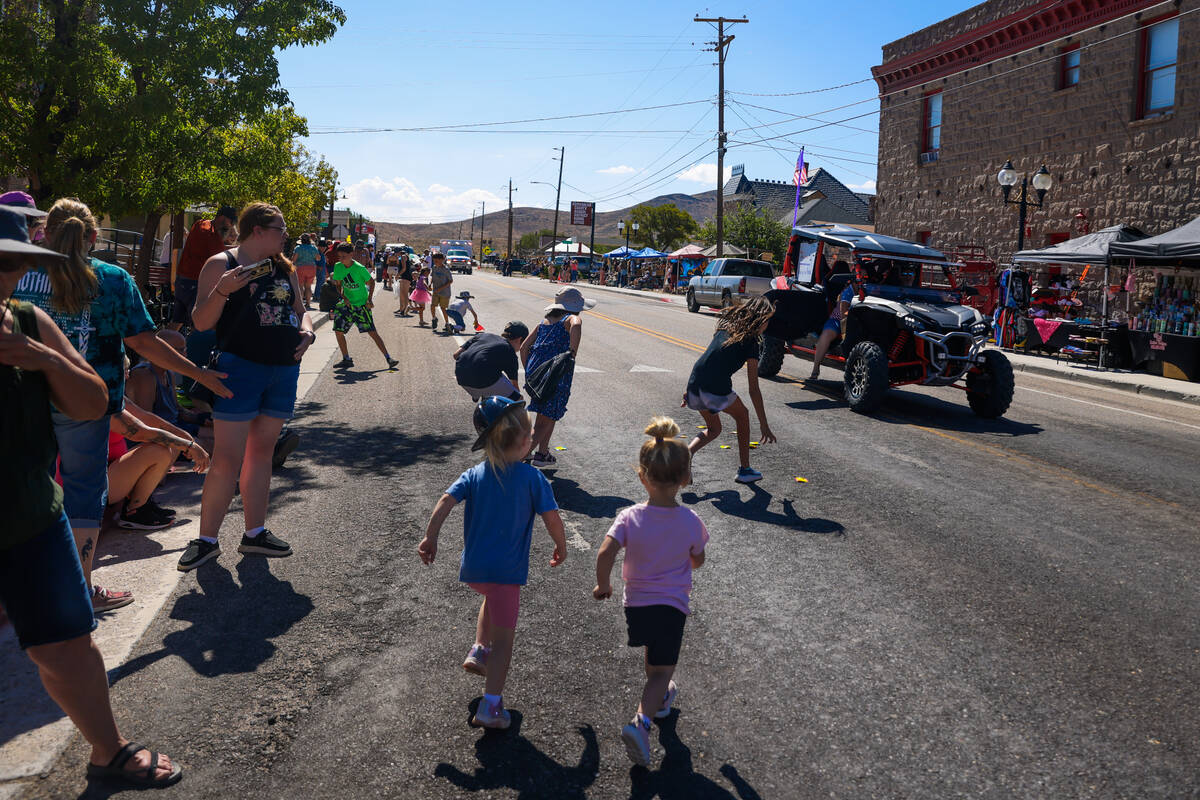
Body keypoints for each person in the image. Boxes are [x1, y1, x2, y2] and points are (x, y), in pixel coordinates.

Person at [0, 208, 184, 787]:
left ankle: (108, 751)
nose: (9, 277)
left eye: (18, 266)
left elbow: (90, 402)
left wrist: (43, 358)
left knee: (69, 645)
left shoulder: (26, 322)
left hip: (30, 516)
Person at [14, 198, 231, 611]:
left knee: (29, 488)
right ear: (94, 237)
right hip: (86, 403)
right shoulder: (112, 280)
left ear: (44, 232)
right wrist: (200, 374)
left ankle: (27, 587)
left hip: (24, 397)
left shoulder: (21, 275)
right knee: (81, 493)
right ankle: (80, 591)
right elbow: (146, 344)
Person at [178, 203, 316, 572]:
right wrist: (222, 291)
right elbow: (202, 324)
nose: (285, 235)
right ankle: (206, 540)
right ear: (258, 230)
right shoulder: (220, 264)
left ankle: (254, 533)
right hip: (240, 369)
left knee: (262, 453)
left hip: (284, 370)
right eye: (280, 229)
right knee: (228, 457)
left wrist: (308, 330)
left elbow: (301, 308)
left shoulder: (284, 267)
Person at [417, 396, 567, 730]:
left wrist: (431, 537)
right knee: (506, 642)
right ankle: (491, 706)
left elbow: (445, 501)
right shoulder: (532, 479)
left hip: (475, 570)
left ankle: (479, 649)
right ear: (525, 440)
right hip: (506, 573)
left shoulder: (474, 473)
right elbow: (552, 519)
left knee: (491, 600)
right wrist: (561, 545)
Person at [593, 416, 708, 768]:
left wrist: (604, 583)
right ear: (686, 479)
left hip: (636, 605)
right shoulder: (691, 521)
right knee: (662, 670)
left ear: (642, 477)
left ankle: (659, 699)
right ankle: (642, 722)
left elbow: (605, 552)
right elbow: (698, 560)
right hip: (671, 605)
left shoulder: (628, 517)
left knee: (654, 661)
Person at [683, 295, 777, 484]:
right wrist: (764, 424)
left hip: (695, 382)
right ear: (761, 318)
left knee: (714, 428)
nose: (768, 325)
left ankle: (687, 454)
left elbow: (710, 359)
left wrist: (692, 390)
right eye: (768, 320)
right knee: (742, 415)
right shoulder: (751, 342)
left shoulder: (726, 327)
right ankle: (745, 470)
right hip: (714, 387)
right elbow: (754, 389)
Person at [520, 286, 594, 468]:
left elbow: (523, 348)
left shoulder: (543, 324)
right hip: (557, 375)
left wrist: (530, 372)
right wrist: (572, 353)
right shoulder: (570, 318)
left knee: (547, 415)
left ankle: (542, 453)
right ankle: (518, 460)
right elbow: (576, 324)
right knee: (544, 422)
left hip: (538, 376)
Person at [329, 242, 397, 370]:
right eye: (339, 256)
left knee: (372, 332)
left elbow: (371, 282)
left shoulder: (359, 268)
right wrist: (344, 297)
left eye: (344, 256)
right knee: (338, 330)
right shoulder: (338, 267)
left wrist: (369, 299)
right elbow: (338, 284)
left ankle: (389, 358)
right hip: (346, 305)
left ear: (351, 254)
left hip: (361, 305)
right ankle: (346, 359)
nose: (341, 259)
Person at [169, 205, 237, 332]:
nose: (231, 226)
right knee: (200, 326)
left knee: (177, 321)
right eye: (231, 222)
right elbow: (222, 257)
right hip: (194, 283)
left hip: (182, 281)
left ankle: (162, 346)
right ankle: (196, 351)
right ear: (222, 218)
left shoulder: (200, 223)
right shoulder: (210, 234)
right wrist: (241, 251)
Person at [453, 321, 528, 400]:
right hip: (483, 379)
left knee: (494, 377)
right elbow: (514, 387)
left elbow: (456, 355)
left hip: (461, 376)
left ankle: (479, 394)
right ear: (519, 339)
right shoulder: (510, 352)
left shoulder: (483, 335)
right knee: (519, 400)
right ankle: (484, 393)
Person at [809, 268, 855, 381]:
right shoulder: (848, 291)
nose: (863, 281)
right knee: (826, 335)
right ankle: (815, 369)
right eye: (860, 278)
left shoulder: (874, 290)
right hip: (839, 319)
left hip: (857, 321)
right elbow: (843, 313)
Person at [292, 233, 320, 308]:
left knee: (300, 286)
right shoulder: (313, 247)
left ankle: (300, 304)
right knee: (308, 286)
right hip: (311, 267)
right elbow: (318, 258)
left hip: (300, 267)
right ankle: (308, 303)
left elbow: (294, 260)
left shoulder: (298, 248)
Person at [429, 252, 454, 333]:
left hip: (445, 293)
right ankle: (434, 319)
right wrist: (430, 284)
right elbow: (432, 277)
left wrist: (441, 288)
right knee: (432, 305)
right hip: (436, 291)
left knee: (443, 308)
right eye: (434, 260)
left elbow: (450, 281)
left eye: (436, 260)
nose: (435, 262)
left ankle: (447, 324)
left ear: (442, 260)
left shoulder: (446, 269)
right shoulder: (434, 267)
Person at [393, 251, 414, 316]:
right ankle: (402, 309)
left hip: (405, 276)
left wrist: (398, 275)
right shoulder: (405, 257)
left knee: (404, 294)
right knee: (402, 294)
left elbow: (404, 268)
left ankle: (405, 309)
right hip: (405, 276)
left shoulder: (403, 257)